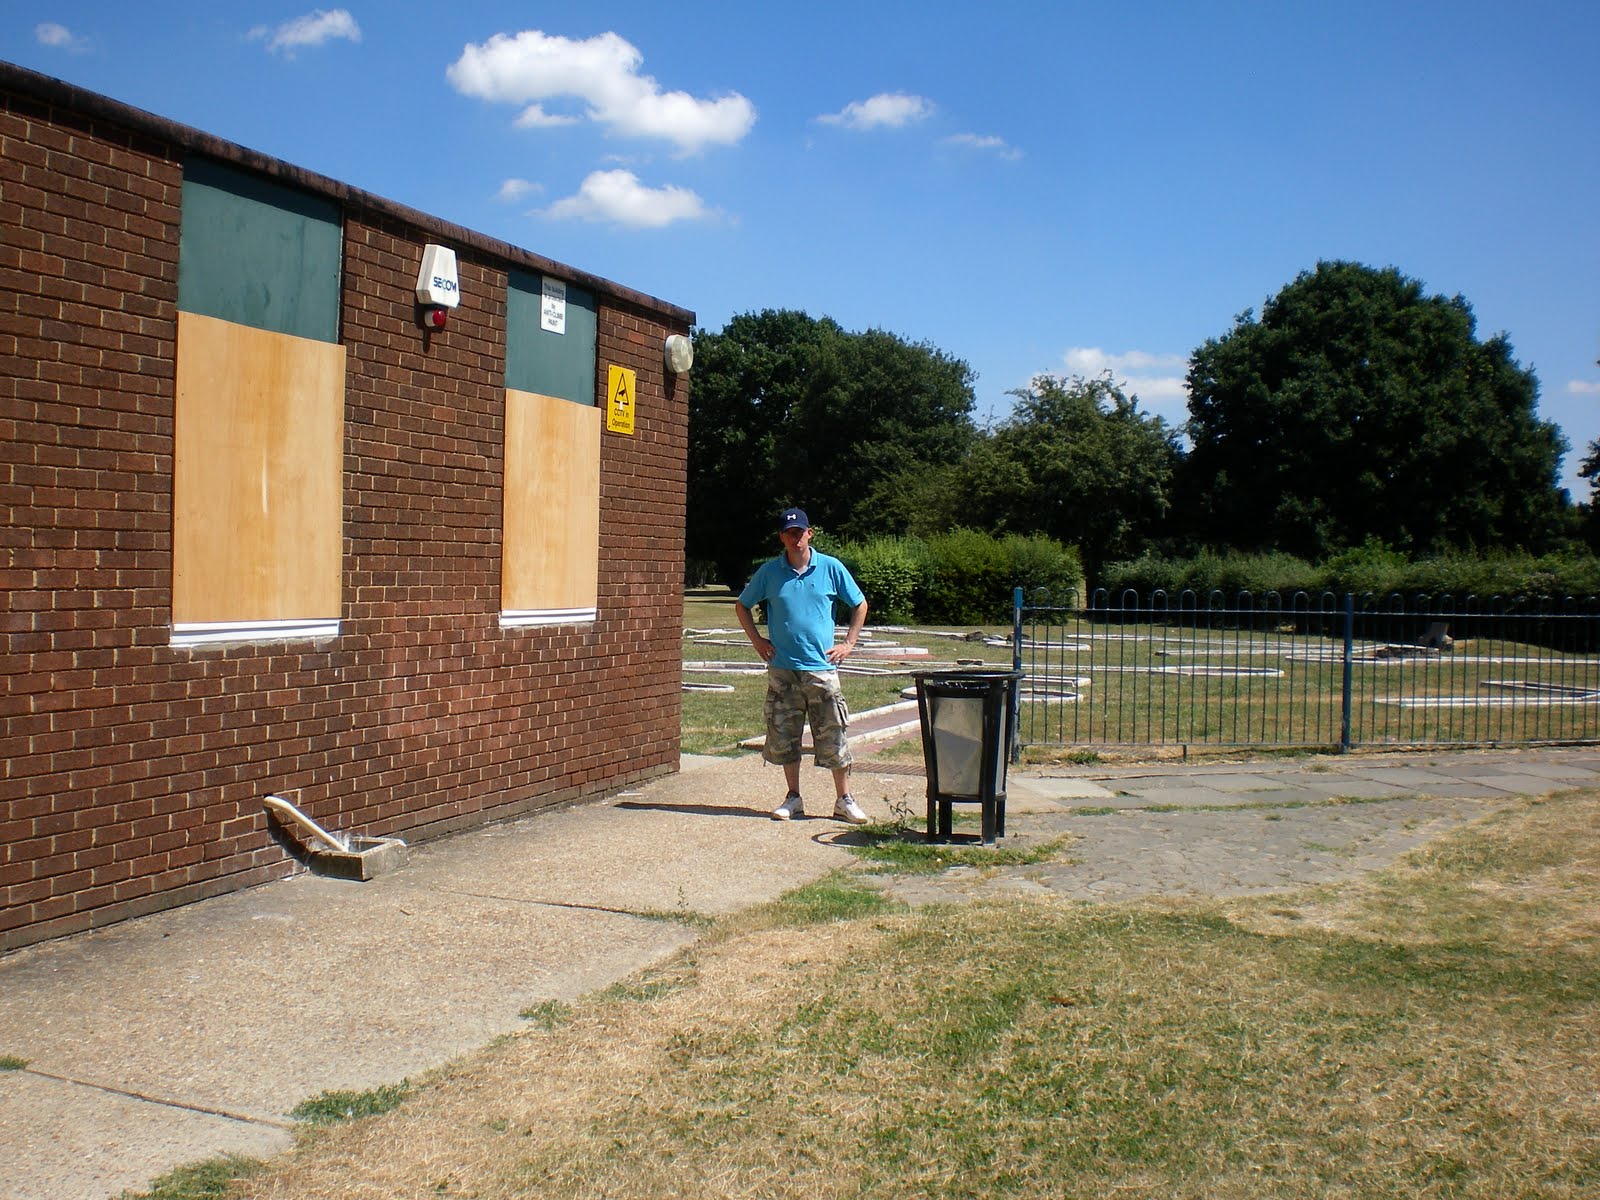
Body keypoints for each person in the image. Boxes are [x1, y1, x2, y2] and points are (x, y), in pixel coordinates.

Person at [735, 507, 871, 823]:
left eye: (800, 532)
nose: (795, 539)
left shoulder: (831, 568)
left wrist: (849, 644)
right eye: (788, 533)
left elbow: (859, 604)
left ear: (810, 533)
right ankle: (793, 797)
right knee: (784, 734)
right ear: (782, 537)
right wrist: (758, 641)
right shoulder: (769, 573)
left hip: (821, 668)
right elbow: (742, 606)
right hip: (783, 668)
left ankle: (844, 799)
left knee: (834, 733)